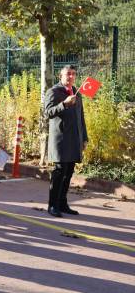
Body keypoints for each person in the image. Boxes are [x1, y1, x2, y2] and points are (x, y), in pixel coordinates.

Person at [44, 65, 88, 217]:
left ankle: (62, 204)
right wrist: (64, 104)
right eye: (68, 74)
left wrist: (84, 138)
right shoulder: (54, 91)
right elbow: (47, 113)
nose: (71, 77)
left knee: (69, 172)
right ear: (60, 76)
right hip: (60, 139)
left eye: (73, 74)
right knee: (59, 172)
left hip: (74, 138)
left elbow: (80, 117)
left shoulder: (77, 93)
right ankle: (52, 205)